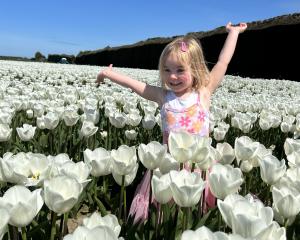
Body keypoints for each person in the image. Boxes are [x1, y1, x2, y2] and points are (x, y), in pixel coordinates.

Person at [96, 22, 247, 223]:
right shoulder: (163, 96)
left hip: (200, 167)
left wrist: (234, 33)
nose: (172, 76)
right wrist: (109, 74)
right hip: (169, 166)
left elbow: (222, 62)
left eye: (180, 70)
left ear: (195, 69)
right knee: (165, 213)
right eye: (166, 70)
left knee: (199, 210)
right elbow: (135, 85)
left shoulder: (203, 93)